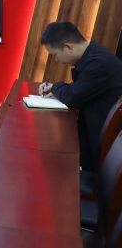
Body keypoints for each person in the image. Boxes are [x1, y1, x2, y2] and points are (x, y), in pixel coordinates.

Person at [39, 21, 122, 172]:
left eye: (55, 55)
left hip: (101, 154)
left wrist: (57, 87)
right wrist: (58, 88)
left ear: (68, 47)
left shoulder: (99, 64)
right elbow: (78, 90)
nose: (56, 60)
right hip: (94, 139)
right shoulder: (94, 56)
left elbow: (72, 97)